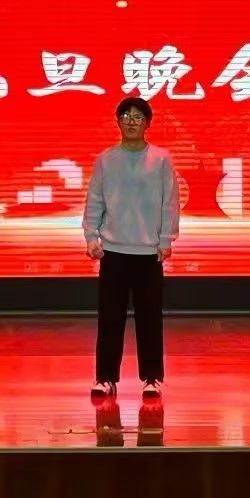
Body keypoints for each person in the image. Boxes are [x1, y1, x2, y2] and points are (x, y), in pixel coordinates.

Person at [83, 97, 180, 401]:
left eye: (138, 117)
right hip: (113, 251)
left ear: (148, 123)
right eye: (125, 116)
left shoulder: (161, 160)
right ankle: (105, 378)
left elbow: (170, 202)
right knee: (110, 318)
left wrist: (166, 239)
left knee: (149, 318)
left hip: (148, 253)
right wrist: (91, 236)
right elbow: (95, 200)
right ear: (118, 122)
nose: (131, 122)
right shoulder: (106, 160)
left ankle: (152, 378)